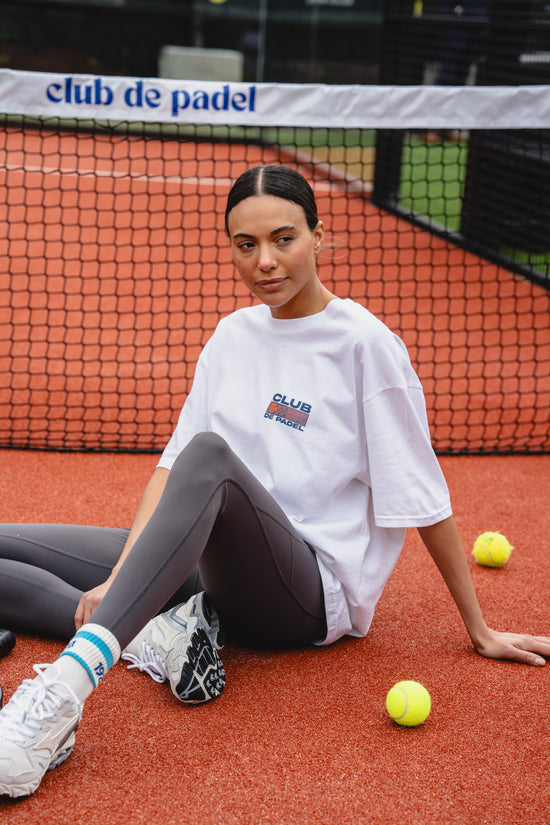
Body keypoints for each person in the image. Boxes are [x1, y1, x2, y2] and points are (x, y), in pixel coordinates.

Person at [0, 164, 548, 799]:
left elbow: (422, 494)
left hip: (306, 594)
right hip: (215, 564)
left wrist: (479, 629)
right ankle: (155, 634)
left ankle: (61, 697)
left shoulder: (365, 345)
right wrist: (125, 572)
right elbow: (171, 466)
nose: (265, 261)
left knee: (213, 457)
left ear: (319, 236)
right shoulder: (231, 337)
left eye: (283, 238)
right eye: (245, 244)